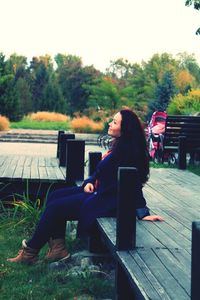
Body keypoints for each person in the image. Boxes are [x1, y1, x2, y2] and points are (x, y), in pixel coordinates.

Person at [7, 109, 163, 264]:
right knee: (54, 195)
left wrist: (142, 212)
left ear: (125, 129)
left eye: (115, 122)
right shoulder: (119, 146)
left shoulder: (129, 153)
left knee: (55, 207)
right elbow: (100, 170)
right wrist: (89, 181)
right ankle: (57, 249)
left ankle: (31, 251)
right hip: (99, 192)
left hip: (109, 202)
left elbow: (134, 184)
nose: (109, 123)